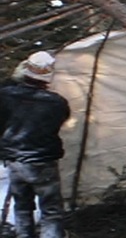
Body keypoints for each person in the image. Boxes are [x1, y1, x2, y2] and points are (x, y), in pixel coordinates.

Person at [0, 51, 70, 238]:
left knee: (22, 208)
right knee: (51, 211)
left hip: (15, 160)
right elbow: (58, 123)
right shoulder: (57, 103)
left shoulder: (5, 96)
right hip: (43, 161)